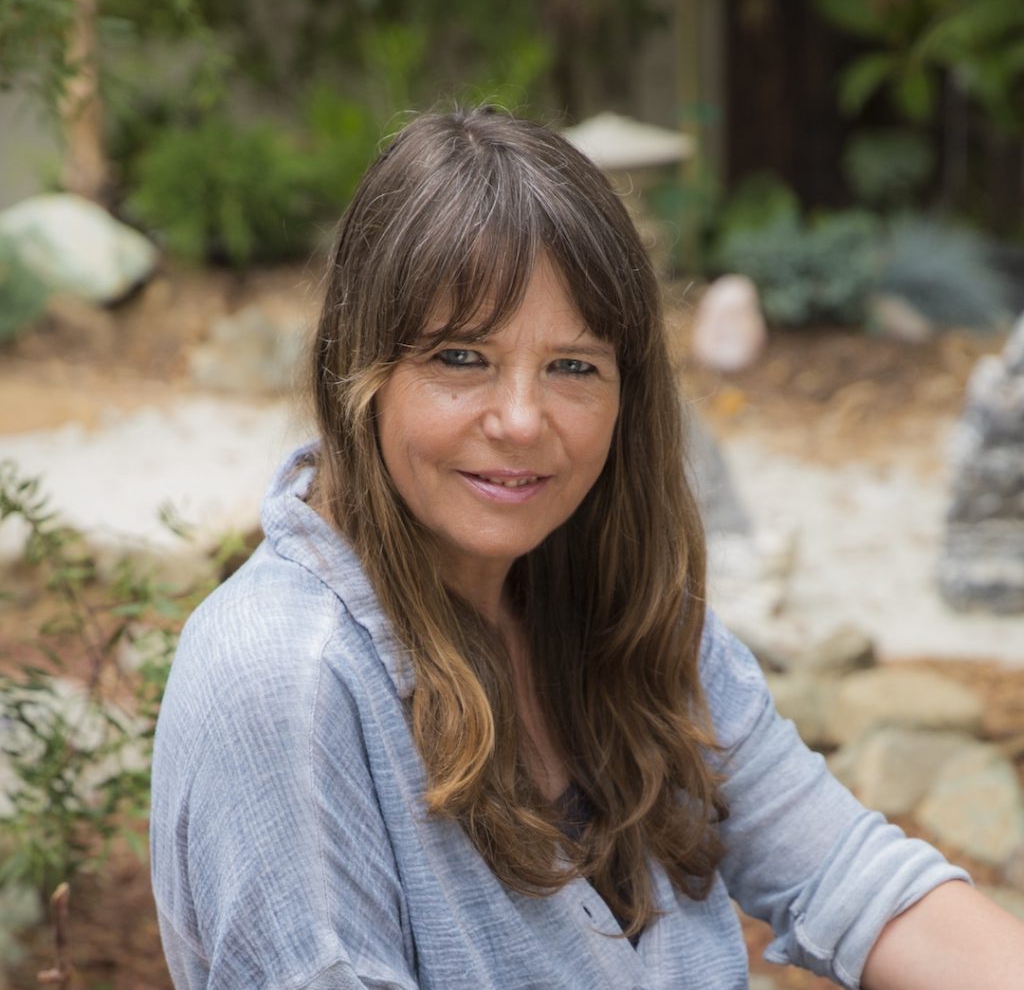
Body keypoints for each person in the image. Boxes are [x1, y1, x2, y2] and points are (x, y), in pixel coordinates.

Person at [150, 107, 1024, 990]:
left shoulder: (617, 603)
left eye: (573, 366)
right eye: (461, 358)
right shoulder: (284, 678)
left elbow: (851, 877)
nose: (523, 420)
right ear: (359, 376)